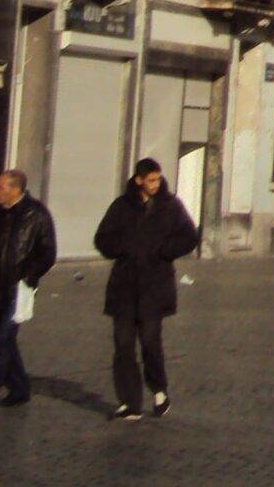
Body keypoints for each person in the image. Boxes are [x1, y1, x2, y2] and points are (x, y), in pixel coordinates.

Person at [92, 157, 199, 422]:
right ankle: (129, 402)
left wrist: (166, 251)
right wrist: (120, 249)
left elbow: (189, 236)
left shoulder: (171, 205)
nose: (155, 184)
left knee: (151, 343)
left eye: (158, 179)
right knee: (123, 345)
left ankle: (159, 389)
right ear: (139, 180)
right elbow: (102, 237)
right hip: (124, 287)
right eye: (150, 180)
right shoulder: (121, 206)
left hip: (155, 285)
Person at [0, 168, 57, 409]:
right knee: (2, 339)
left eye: (1, 187)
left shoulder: (36, 214)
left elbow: (48, 253)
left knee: (2, 341)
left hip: (18, 290)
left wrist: (29, 276)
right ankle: (19, 388)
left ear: (16, 190)